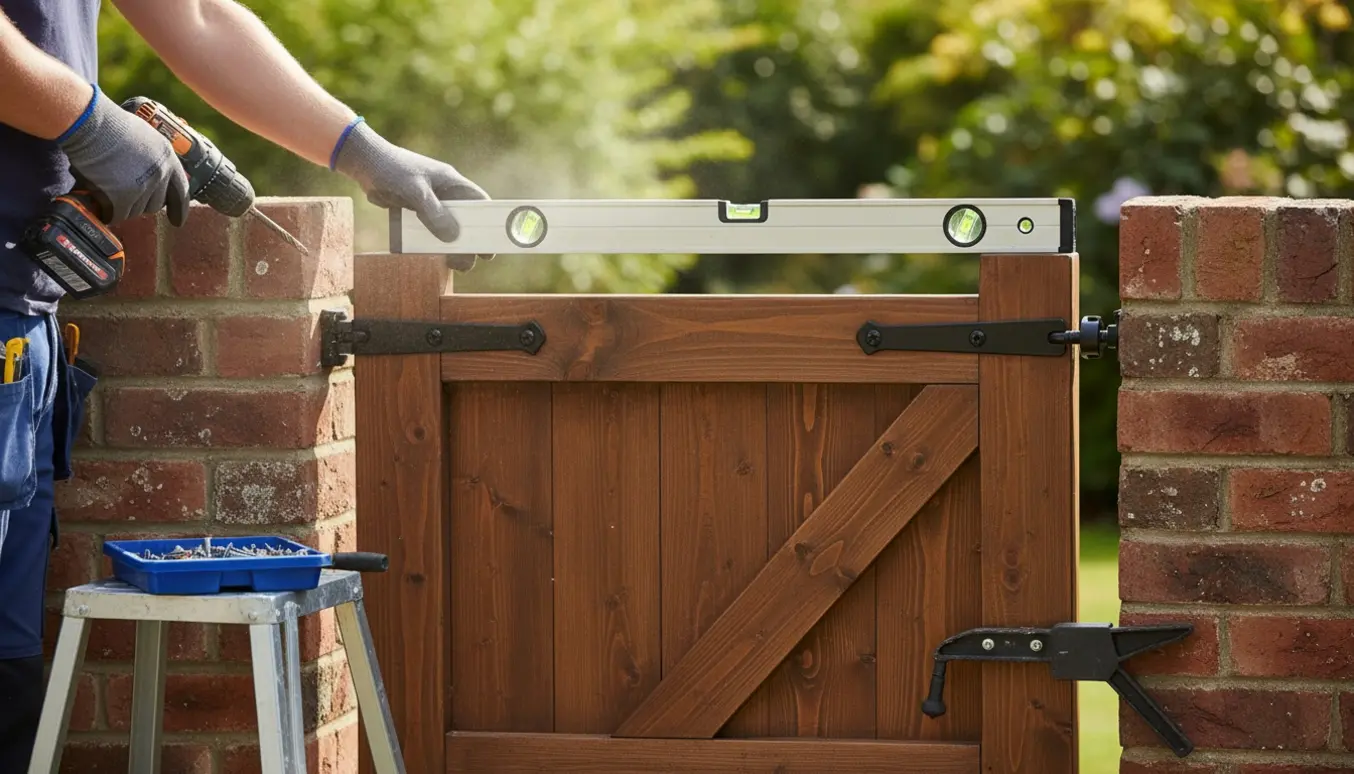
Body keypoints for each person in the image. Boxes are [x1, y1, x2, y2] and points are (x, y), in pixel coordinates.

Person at [0, 0, 490, 766]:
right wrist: (89, 121)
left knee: (7, 670)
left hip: (24, 329)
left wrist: (362, 150)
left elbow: (195, 15)